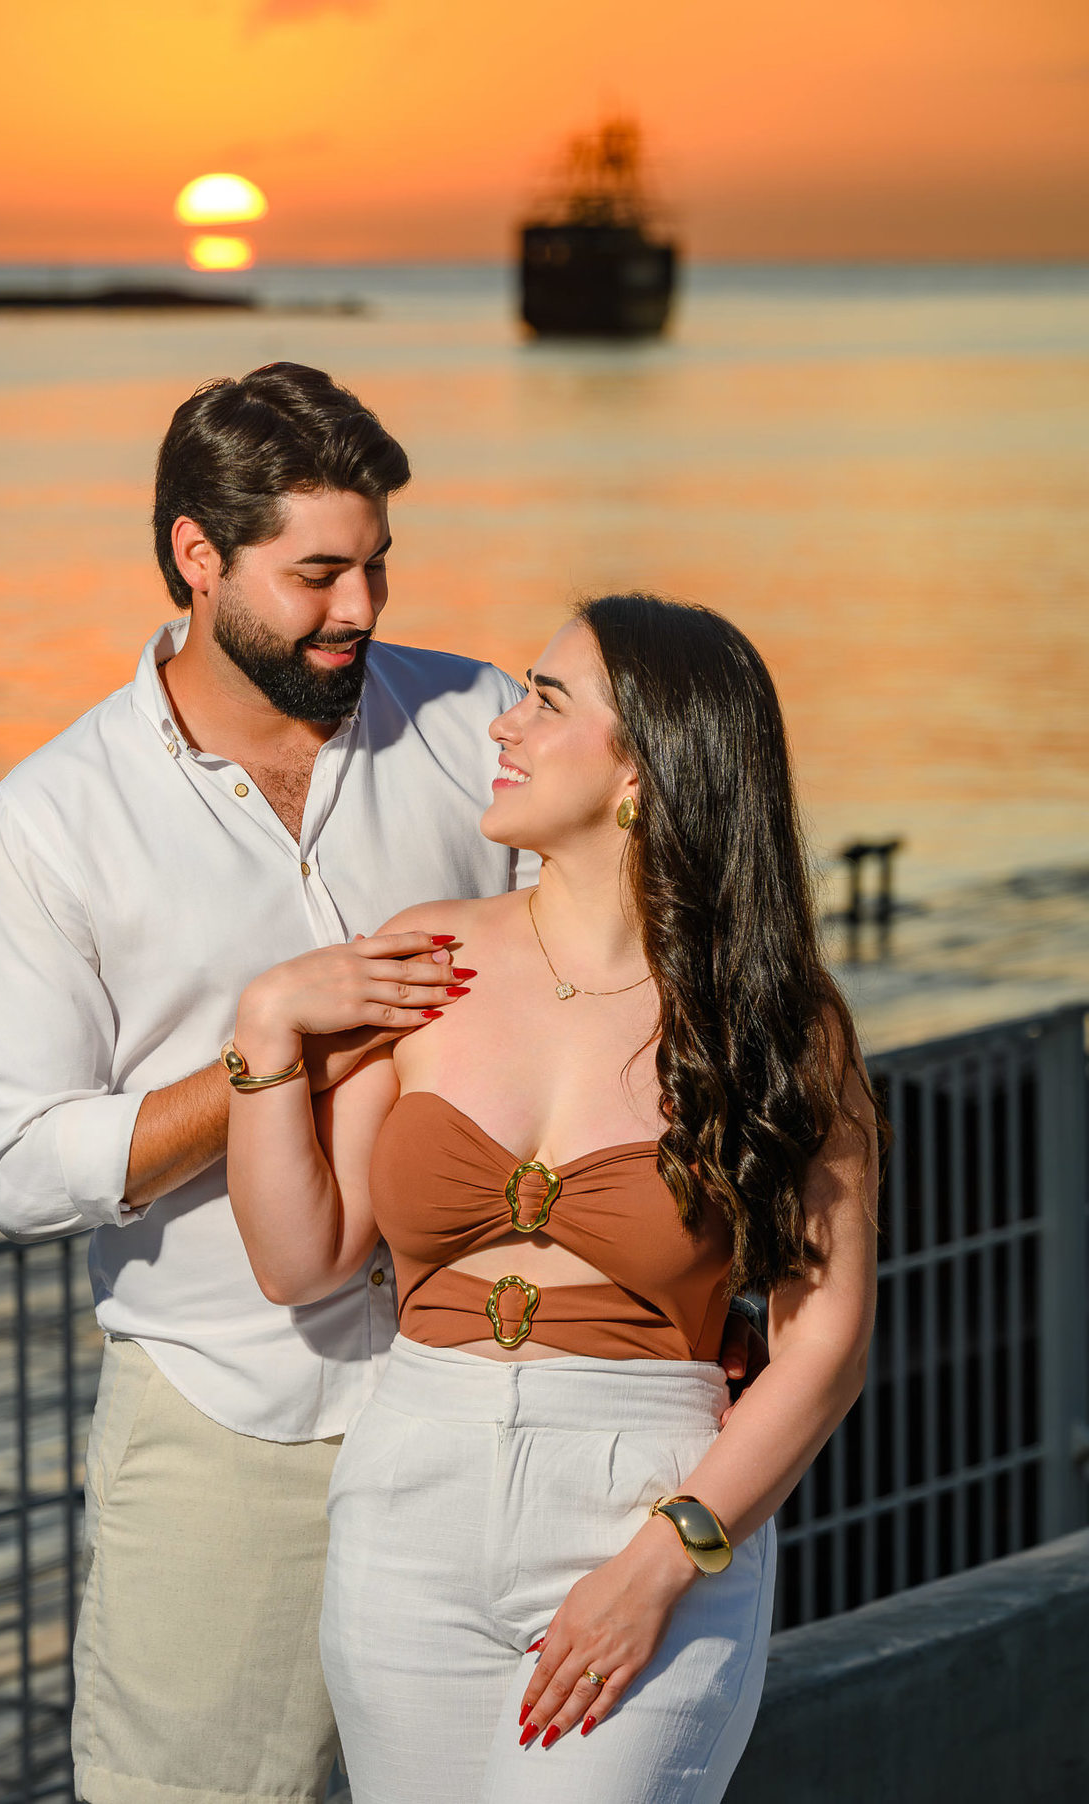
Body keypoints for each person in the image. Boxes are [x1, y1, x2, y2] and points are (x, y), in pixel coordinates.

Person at [0, 367, 762, 1804]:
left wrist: (699, 1272)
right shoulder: (55, 816)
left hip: (505, 1415)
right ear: (198, 559)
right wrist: (282, 1051)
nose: (363, 608)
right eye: (317, 571)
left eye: (378, 564)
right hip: (230, 1426)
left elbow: (627, 995)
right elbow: (21, 1163)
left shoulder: (472, 726)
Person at [227, 593, 881, 1804]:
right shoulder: (428, 954)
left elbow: (824, 1342)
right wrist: (265, 1028)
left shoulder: (778, 1021)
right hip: (412, 1490)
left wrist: (668, 1558)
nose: (504, 726)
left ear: (644, 766)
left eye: (547, 698)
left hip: (645, 1495)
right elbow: (300, 1256)